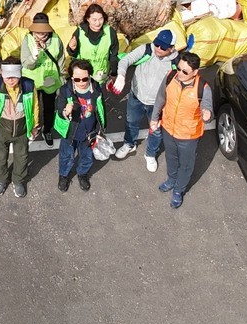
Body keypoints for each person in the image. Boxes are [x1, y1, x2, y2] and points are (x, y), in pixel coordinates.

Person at [152, 51, 213, 209]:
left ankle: (179, 190)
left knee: (186, 165)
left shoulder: (202, 88)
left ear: (195, 72)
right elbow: (160, 98)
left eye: (185, 71)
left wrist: (207, 114)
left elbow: (207, 109)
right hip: (168, 129)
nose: (180, 73)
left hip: (188, 135)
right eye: (178, 68)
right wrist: (154, 118)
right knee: (171, 158)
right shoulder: (171, 77)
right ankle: (171, 180)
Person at [112, 29, 179, 171]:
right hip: (136, 96)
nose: (158, 49)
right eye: (157, 44)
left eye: (163, 47)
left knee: (155, 130)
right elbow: (126, 60)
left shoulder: (176, 63)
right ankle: (129, 144)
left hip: (157, 104)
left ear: (172, 48)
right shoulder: (146, 49)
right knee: (131, 122)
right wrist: (121, 75)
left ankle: (150, 154)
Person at [0, 59, 38, 198]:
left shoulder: (29, 85)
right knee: (0, 157)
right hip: (2, 129)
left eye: (14, 76)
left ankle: (18, 180)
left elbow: (34, 107)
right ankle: (1, 180)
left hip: (22, 128)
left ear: (20, 74)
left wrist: (35, 125)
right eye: (7, 76)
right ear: (2, 74)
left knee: (22, 157)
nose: (11, 80)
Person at [54, 60, 106, 193]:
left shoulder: (96, 89)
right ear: (72, 78)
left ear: (89, 76)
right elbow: (59, 110)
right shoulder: (65, 90)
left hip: (89, 133)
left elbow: (100, 109)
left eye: (85, 78)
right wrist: (66, 111)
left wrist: (100, 130)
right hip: (70, 133)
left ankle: (82, 174)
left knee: (87, 157)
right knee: (66, 156)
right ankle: (64, 175)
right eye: (77, 79)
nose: (81, 82)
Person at [21, 12, 65, 147]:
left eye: (43, 32)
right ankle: (32, 128)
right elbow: (26, 64)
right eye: (37, 32)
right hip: (31, 80)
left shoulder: (56, 40)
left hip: (49, 80)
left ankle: (47, 130)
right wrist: (34, 56)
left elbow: (61, 61)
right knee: (31, 106)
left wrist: (62, 80)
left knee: (49, 107)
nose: (40, 35)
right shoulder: (27, 40)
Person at [67, 3, 119, 86]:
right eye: (94, 20)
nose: (98, 23)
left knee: (98, 98)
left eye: (100, 19)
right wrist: (71, 48)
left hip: (101, 76)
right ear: (88, 19)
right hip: (83, 78)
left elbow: (114, 55)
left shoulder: (110, 32)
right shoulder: (80, 32)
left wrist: (114, 73)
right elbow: (72, 54)